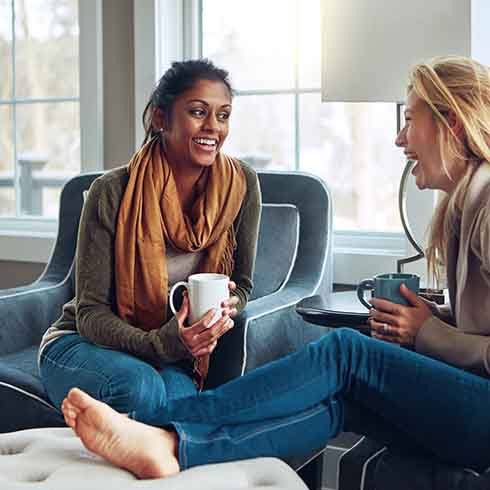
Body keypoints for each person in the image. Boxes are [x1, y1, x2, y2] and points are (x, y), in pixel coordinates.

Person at [61, 56, 490, 480]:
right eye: (197, 112)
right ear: (160, 118)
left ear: (450, 124)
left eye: (410, 120)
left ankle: (161, 428)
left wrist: (430, 332)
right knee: (339, 402)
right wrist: (440, 319)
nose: (400, 139)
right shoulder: (464, 208)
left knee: (346, 351)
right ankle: (178, 448)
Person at [39, 59, 261, 420]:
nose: (213, 128)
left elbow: (244, 286)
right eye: (197, 112)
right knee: (141, 388)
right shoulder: (112, 191)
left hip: (176, 352)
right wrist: (161, 343)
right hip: (83, 344)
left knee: (182, 411)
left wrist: (218, 313)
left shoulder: (241, 185)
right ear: (161, 118)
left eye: (223, 115)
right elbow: (90, 314)